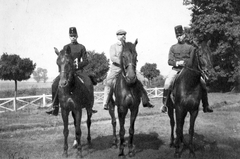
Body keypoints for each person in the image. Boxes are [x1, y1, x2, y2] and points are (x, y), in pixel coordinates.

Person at [160, 25, 213, 113]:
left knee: (203, 83)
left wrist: (185, 63)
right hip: (176, 70)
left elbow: (193, 60)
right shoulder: (173, 47)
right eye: (178, 36)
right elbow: (169, 61)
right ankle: (164, 105)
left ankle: (206, 105)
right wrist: (177, 63)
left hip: (188, 70)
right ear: (176, 37)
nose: (180, 37)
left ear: (184, 35)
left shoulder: (191, 48)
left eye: (181, 35)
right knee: (167, 82)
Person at [46, 27, 97, 116]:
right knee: (54, 84)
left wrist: (78, 65)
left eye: (74, 35)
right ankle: (55, 106)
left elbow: (86, 60)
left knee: (88, 82)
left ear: (77, 36)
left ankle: (90, 105)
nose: (73, 37)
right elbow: (62, 59)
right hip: (67, 72)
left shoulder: (81, 47)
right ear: (69, 37)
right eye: (71, 36)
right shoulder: (66, 47)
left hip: (78, 71)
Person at [103, 29, 154, 110]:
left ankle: (146, 100)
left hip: (128, 68)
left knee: (142, 79)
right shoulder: (113, 46)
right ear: (117, 36)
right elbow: (113, 58)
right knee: (108, 82)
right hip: (117, 68)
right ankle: (106, 102)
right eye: (121, 34)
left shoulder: (129, 46)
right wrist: (122, 62)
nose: (123, 36)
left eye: (124, 34)